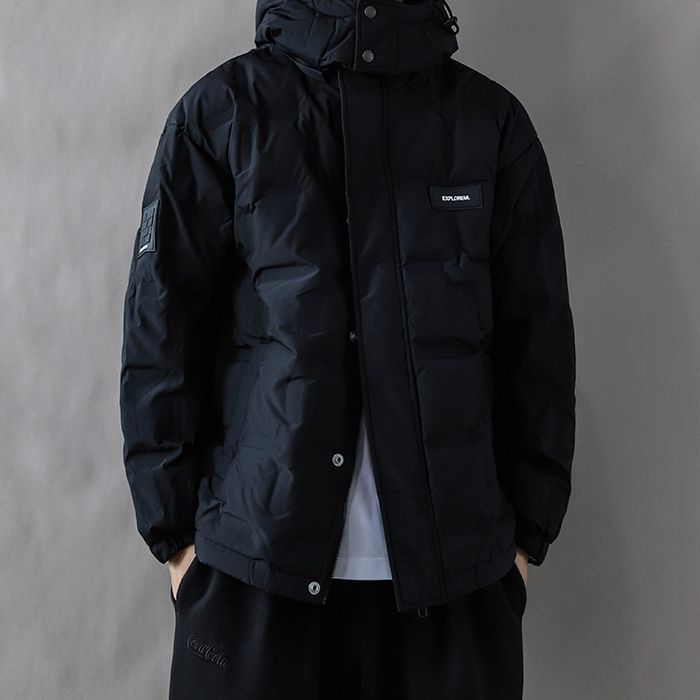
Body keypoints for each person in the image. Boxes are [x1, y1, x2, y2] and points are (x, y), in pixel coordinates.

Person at [119, 0, 576, 697]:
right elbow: (161, 332)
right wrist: (176, 539)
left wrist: (524, 541)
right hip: (252, 572)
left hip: (457, 584)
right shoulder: (222, 114)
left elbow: (538, 340)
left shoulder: (489, 123)